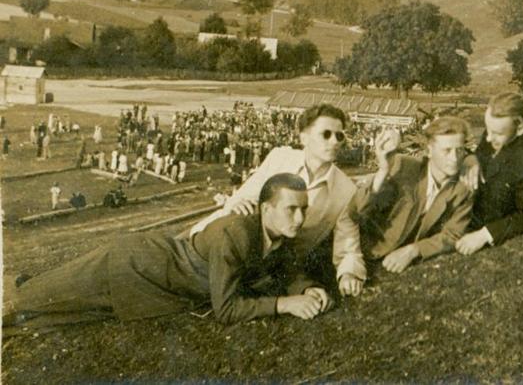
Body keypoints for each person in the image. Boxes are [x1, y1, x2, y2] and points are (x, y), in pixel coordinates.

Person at [4, 173, 332, 328]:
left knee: (71, 309)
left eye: (304, 209)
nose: (301, 218)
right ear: (265, 209)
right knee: (31, 302)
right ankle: (22, 289)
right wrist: (284, 304)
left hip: (156, 276)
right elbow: (227, 310)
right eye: (292, 209)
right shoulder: (236, 233)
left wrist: (309, 288)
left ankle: (27, 285)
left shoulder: (278, 235)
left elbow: (286, 270)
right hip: (138, 265)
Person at [189, 104, 374, 297]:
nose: (335, 141)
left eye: (339, 135)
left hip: (278, 266)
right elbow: (245, 195)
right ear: (304, 137)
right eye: (326, 134)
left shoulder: (345, 189)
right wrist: (239, 202)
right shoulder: (280, 157)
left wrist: (349, 274)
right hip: (234, 244)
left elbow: (348, 242)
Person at [349, 116, 474, 274]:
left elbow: (453, 234)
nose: (454, 158)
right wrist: (383, 171)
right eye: (447, 151)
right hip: (368, 252)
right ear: (428, 151)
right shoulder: (404, 168)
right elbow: (359, 211)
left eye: (459, 150)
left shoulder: (462, 188)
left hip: (404, 264)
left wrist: (415, 250)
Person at [455, 93, 523, 256]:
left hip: (482, 223)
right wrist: (472, 158)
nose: (489, 138)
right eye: (488, 130)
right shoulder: (497, 131)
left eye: (497, 133)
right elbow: (481, 152)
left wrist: (486, 234)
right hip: (466, 210)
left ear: (519, 128)